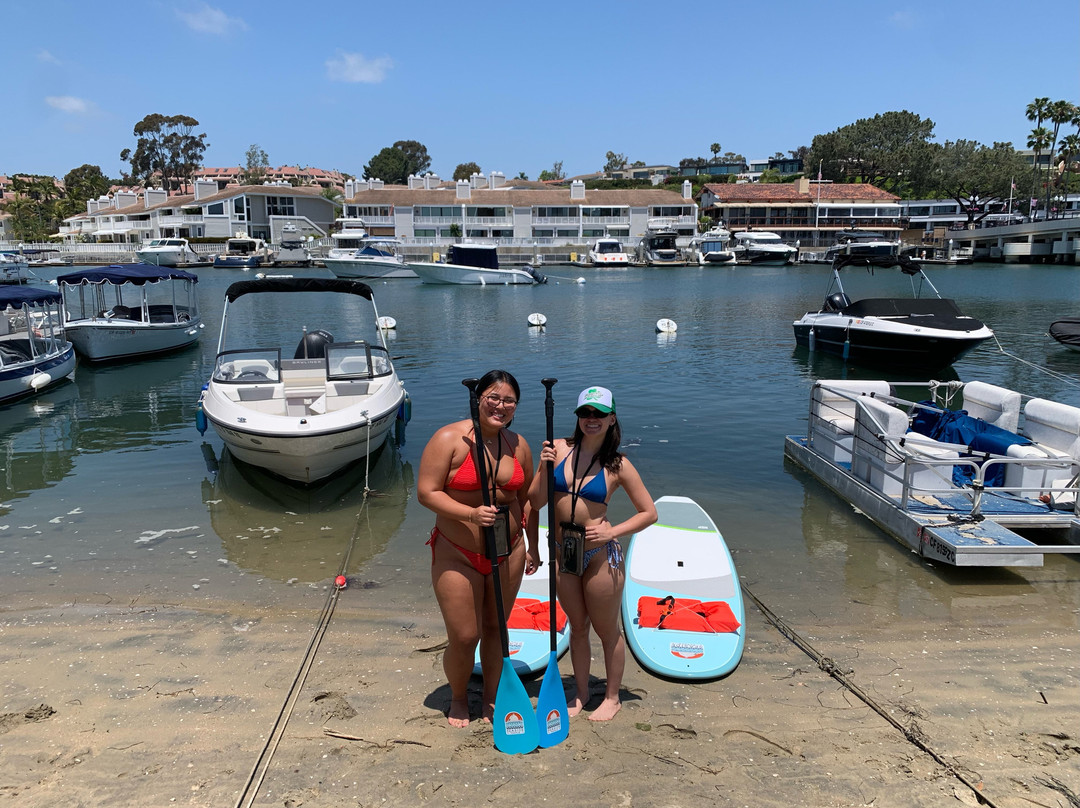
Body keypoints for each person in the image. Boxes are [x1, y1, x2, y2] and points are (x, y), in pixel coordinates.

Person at [417, 370, 538, 728]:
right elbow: (427, 493)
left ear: (516, 407)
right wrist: (470, 512)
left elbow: (527, 498)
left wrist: (531, 543)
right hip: (458, 552)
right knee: (465, 634)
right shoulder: (449, 439)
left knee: (496, 628)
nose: (500, 406)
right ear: (478, 399)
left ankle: (489, 697)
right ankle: (457, 696)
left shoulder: (519, 444)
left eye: (509, 401)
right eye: (493, 398)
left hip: (509, 550)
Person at [530, 385, 656, 721]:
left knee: (606, 629)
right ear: (578, 417)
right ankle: (582, 693)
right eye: (586, 413)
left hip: (600, 555)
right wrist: (543, 467)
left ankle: (612, 697)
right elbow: (535, 500)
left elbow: (649, 513)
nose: (592, 419)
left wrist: (612, 530)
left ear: (612, 418)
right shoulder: (556, 448)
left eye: (599, 414)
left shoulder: (618, 464)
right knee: (578, 627)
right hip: (563, 552)